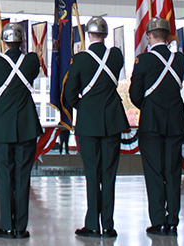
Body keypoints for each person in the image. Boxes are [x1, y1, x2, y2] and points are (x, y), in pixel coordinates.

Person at [65, 17, 128, 238]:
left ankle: (92, 224)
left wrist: (84, 106)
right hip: (112, 121)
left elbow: (70, 93)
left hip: (89, 123)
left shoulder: (80, 59)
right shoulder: (116, 55)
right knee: (109, 174)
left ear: (88, 35)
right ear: (106, 34)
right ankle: (108, 226)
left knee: (92, 175)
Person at [0, 23, 40, 239]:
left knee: (5, 178)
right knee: (23, 178)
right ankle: (21, 227)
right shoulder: (32, 61)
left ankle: (7, 225)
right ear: (22, 41)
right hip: (26, 127)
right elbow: (33, 72)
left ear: (4, 42)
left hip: (3, 128)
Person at [129, 17, 184, 236]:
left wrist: (148, 106)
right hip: (175, 123)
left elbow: (135, 95)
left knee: (154, 173)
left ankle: (158, 221)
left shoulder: (143, 61)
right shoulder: (179, 59)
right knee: (173, 172)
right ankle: (172, 220)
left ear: (149, 36)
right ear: (167, 35)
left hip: (152, 123)